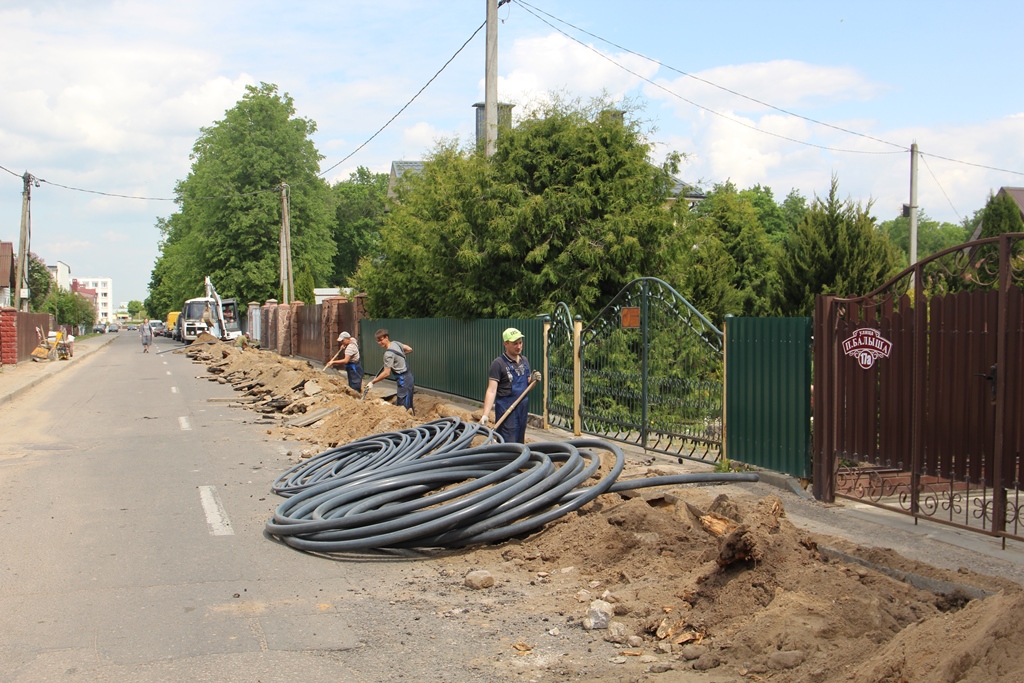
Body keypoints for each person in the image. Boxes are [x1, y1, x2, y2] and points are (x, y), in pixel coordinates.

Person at [479, 327, 542, 444]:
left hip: (522, 408)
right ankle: (506, 462)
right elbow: (491, 390)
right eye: (515, 344)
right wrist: (485, 415)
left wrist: (533, 380)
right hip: (506, 409)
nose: (519, 346)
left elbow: (528, 386)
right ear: (506, 344)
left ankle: (518, 461)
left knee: (519, 440)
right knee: (508, 442)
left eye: (520, 343)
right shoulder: (498, 364)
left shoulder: (524, 361)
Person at [365, 329, 414, 413]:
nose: (380, 343)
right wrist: (397, 358)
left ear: (386, 337)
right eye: (378, 341)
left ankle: (407, 424)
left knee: (403, 407)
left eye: (381, 340)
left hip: (403, 380)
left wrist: (373, 382)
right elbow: (409, 349)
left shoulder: (388, 355)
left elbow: (386, 373)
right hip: (409, 377)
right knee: (408, 402)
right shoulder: (396, 343)